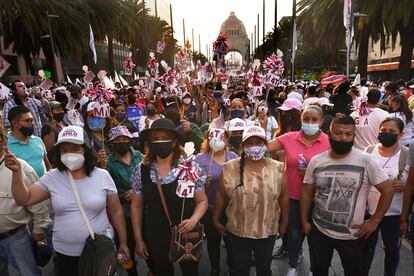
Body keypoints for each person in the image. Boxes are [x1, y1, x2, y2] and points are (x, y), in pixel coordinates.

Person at [5, 125, 129, 276]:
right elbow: (25, 198)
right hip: (65, 254)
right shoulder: (52, 177)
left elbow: (116, 211)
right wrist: (17, 173)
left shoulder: (102, 175)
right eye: (64, 149)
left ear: (86, 150)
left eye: (75, 149)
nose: (69, 154)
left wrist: (123, 242)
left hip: (99, 251)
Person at [300, 114, 394, 276]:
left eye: (348, 134)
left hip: (353, 236)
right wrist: (304, 221)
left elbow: (388, 190)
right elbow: (307, 192)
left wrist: (374, 221)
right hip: (319, 232)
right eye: (338, 133)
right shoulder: (316, 161)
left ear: (354, 135)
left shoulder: (366, 161)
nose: (343, 138)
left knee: (353, 272)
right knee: (318, 270)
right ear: (329, 134)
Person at [130, 118, 208, 276]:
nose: (160, 142)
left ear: (174, 142)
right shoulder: (141, 169)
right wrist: (138, 239)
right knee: (162, 271)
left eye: (164, 138)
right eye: (155, 139)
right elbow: (136, 206)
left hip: (186, 232)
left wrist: (193, 220)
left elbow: (202, 201)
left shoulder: (190, 168)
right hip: (155, 234)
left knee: (190, 271)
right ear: (150, 143)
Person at [212, 125, 289, 276]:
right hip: (238, 231)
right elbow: (220, 196)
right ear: (242, 146)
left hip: (267, 231)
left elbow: (284, 196)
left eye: (259, 143)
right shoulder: (229, 168)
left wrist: (284, 222)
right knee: (241, 269)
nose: (255, 147)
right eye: (250, 143)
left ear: (266, 146)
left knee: (264, 269)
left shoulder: (277, 168)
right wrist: (215, 219)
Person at [267, 105, 330, 276]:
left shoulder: (329, 142)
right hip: (293, 196)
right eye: (306, 119)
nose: (310, 123)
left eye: (314, 119)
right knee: (294, 233)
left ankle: (313, 268)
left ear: (321, 121)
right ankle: (293, 265)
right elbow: (263, 147)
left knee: (315, 236)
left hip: (319, 198)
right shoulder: (289, 138)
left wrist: (312, 173)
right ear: (301, 120)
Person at [0, 124, 51, 276]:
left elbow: (37, 203)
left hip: (16, 238)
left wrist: (39, 229)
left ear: (3, 141)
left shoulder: (20, 167)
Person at [361, 117, 409, 276]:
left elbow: (412, 184)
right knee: (366, 248)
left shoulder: (407, 154)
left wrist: (404, 186)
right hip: (368, 211)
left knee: (391, 249)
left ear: (401, 134)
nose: (386, 134)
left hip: (394, 213)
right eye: (383, 131)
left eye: (392, 132)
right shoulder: (368, 151)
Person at [195, 128, 239, 275]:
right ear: (208, 139)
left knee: (232, 241)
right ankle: (215, 267)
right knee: (213, 241)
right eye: (214, 136)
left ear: (227, 139)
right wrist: (201, 183)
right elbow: (193, 184)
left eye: (222, 137)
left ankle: (233, 264)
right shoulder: (199, 159)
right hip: (209, 208)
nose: (219, 139)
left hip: (232, 208)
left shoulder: (233, 157)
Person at [107, 126, 144, 276]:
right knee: (127, 248)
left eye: (124, 139)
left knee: (149, 247)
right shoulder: (109, 163)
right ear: (111, 143)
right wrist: (123, 196)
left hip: (143, 208)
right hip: (122, 212)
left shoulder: (140, 156)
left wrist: (139, 192)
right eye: (118, 140)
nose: (122, 142)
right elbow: (107, 189)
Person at [7, 105, 51, 177]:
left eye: (32, 120)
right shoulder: (6, 146)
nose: (32, 123)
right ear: (15, 123)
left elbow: (47, 166)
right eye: (28, 120)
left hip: (45, 186)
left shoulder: (37, 140)